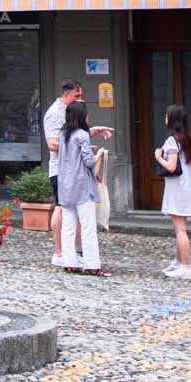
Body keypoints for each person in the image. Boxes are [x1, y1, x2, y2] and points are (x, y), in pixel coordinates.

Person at [43, 79, 112, 267]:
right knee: (62, 208)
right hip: (61, 169)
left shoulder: (72, 112)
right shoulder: (55, 113)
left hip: (76, 168)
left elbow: (74, 136)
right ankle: (60, 253)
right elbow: (52, 143)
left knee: (71, 213)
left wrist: (90, 134)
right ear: (66, 94)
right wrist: (80, 148)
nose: (80, 99)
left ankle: (73, 254)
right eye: (77, 96)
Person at [57, 100, 107, 275]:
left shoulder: (63, 134)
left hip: (65, 185)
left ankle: (69, 262)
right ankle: (92, 265)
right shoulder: (82, 135)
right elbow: (89, 162)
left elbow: (70, 157)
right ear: (81, 116)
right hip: (82, 186)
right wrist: (99, 154)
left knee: (68, 227)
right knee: (88, 227)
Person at [155, 104, 191, 280]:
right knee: (180, 227)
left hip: (178, 188)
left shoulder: (172, 141)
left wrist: (158, 157)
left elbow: (172, 167)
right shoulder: (189, 140)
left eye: (166, 116)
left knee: (180, 228)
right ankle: (179, 262)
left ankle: (186, 266)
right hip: (187, 186)